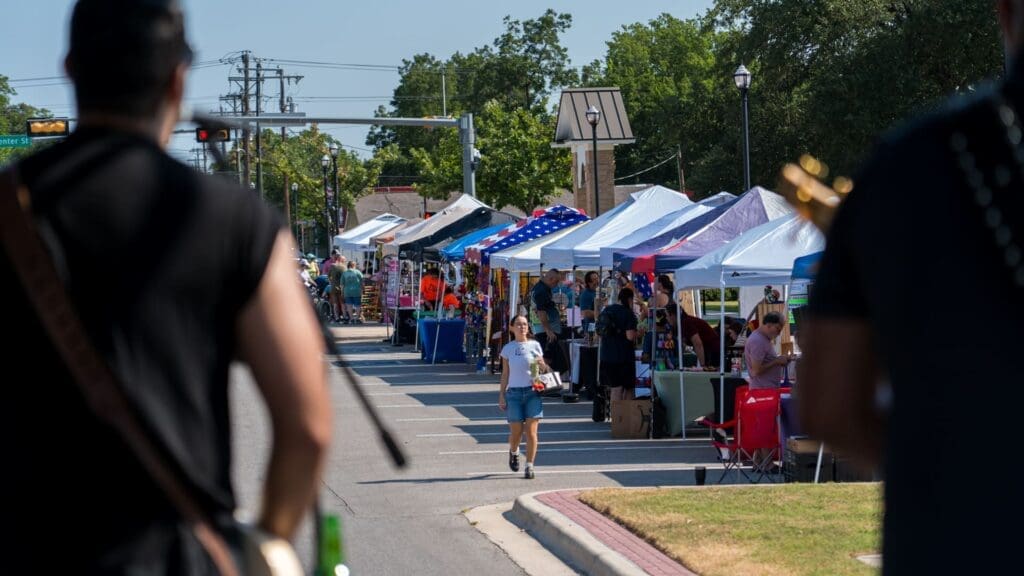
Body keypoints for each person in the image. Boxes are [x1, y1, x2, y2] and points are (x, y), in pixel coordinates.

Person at [2, 1, 331, 571]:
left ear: (72, 67)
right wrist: (267, 543)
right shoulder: (235, 219)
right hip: (175, 556)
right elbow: (307, 425)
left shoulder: (9, 209)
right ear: (178, 78)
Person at [798, 3, 1024, 572]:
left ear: (1005, 15)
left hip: (957, 539)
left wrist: (948, 461)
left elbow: (828, 403)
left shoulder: (907, 167)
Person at [498, 315, 550, 479]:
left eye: (525, 324)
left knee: (531, 432)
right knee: (516, 432)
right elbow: (505, 374)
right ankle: (514, 452)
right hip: (513, 393)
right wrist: (501, 394)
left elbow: (537, 370)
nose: (522, 327)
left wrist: (542, 366)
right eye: (519, 324)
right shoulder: (508, 348)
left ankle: (530, 465)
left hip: (532, 392)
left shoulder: (535, 345)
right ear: (512, 328)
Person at [599, 287, 639, 401]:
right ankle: (626, 416)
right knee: (628, 388)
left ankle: (616, 417)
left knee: (615, 388)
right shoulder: (628, 313)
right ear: (630, 299)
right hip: (623, 357)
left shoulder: (607, 310)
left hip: (606, 355)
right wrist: (639, 333)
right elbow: (630, 336)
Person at [531, 268, 568, 373]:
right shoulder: (541, 290)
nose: (556, 285)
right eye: (556, 282)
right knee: (551, 360)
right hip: (545, 331)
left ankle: (542, 382)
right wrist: (548, 330)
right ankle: (541, 382)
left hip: (546, 330)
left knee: (549, 359)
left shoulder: (542, 288)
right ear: (551, 279)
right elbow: (541, 311)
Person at [744, 312, 793, 389]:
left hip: (766, 390)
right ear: (769, 325)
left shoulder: (763, 339)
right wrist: (776, 361)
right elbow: (756, 371)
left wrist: (780, 360)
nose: (779, 333)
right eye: (777, 329)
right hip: (762, 392)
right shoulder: (758, 341)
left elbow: (766, 361)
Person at [341, 260, 364, 324]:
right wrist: (363, 288)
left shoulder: (344, 273)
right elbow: (362, 281)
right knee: (358, 305)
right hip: (356, 291)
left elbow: (342, 284)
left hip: (347, 291)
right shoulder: (358, 272)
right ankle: (357, 318)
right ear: (353, 265)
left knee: (349, 305)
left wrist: (342, 293)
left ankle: (351, 319)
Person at [328, 252, 347, 323]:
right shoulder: (344, 267)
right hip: (342, 287)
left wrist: (331, 282)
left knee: (335, 303)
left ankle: (336, 317)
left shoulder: (333, 266)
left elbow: (329, 276)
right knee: (342, 303)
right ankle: (345, 316)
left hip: (334, 287)